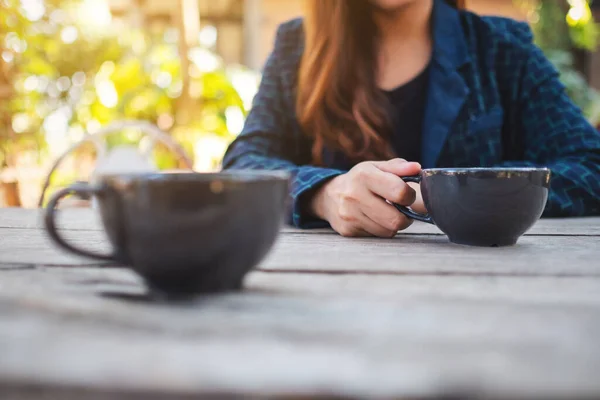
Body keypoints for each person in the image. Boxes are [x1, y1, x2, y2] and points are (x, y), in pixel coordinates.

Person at [222, 0, 600, 238]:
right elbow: (243, 164)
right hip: (331, 291)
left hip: (484, 288)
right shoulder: (296, 47)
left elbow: (589, 166)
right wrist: (322, 193)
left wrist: (439, 193)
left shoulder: (502, 48)